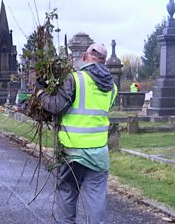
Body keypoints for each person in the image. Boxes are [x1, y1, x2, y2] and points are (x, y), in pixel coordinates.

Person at [36, 43, 117, 223]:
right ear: (103, 61)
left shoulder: (75, 79)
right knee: (96, 198)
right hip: (99, 153)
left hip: (73, 152)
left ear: (86, 57)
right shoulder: (112, 87)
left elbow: (57, 106)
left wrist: (41, 92)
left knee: (67, 193)